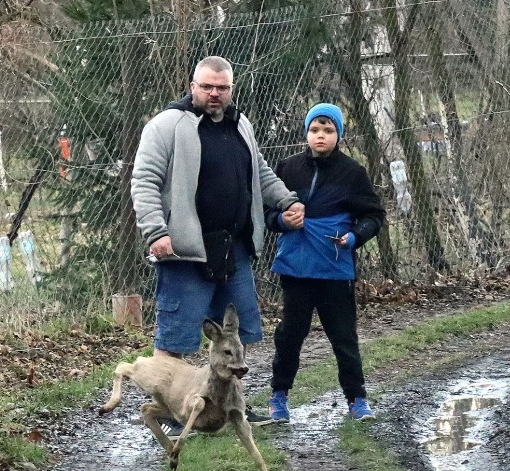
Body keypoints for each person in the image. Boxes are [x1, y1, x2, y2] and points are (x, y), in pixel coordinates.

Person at [131, 55, 304, 435]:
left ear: (231, 89)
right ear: (192, 86)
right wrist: (156, 232)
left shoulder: (240, 124)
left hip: (233, 250)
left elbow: (258, 171)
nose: (214, 94)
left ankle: (232, 408)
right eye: (206, 86)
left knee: (232, 337)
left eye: (221, 88)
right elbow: (144, 181)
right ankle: (172, 414)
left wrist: (287, 201)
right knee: (173, 338)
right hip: (184, 252)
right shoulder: (165, 126)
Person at [264, 103, 386, 422]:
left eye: (328, 131)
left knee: (343, 335)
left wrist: (354, 237)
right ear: (306, 133)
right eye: (315, 130)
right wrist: (282, 220)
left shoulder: (353, 173)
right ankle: (279, 397)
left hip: (335, 269)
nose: (321, 136)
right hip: (296, 269)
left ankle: (357, 400)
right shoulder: (288, 169)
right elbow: (265, 214)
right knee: (291, 333)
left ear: (339, 135)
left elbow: (374, 215)